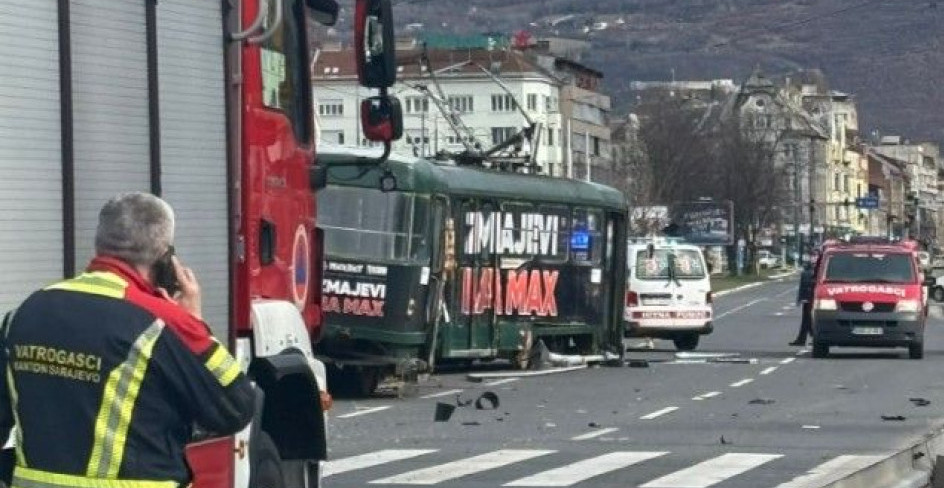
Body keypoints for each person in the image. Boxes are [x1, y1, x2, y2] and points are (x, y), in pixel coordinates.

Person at [0, 192, 255, 488]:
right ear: (166, 259)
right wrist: (195, 324)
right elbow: (235, 408)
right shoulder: (165, 322)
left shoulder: (23, 314)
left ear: (99, 245)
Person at [790, 257, 817, 346]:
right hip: (812, 299)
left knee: (807, 319)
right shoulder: (813, 273)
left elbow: (804, 287)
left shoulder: (807, 273)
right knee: (807, 319)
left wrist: (801, 298)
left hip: (810, 299)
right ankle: (803, 338)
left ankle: (808, 337)